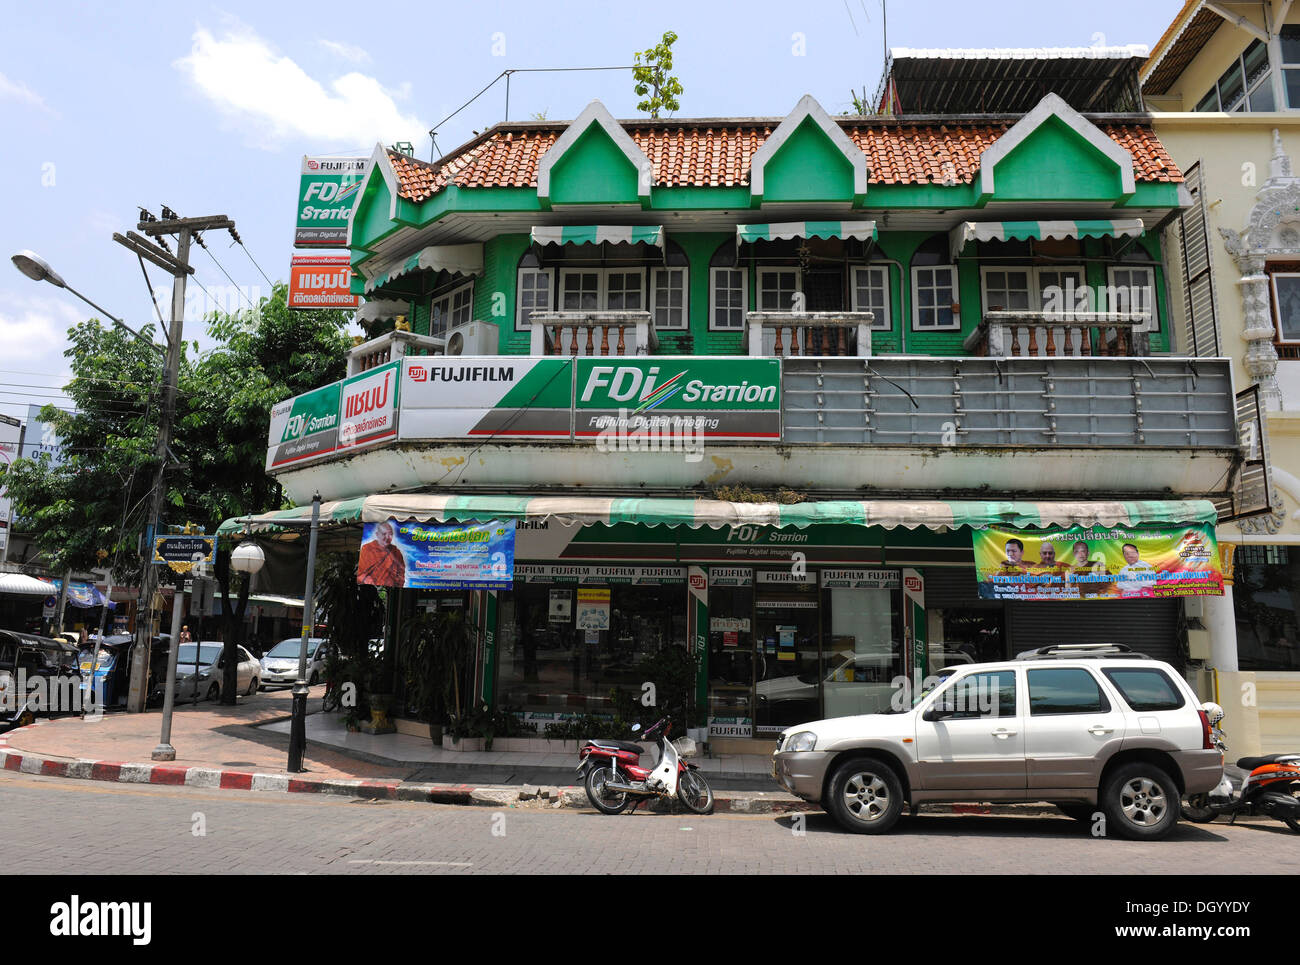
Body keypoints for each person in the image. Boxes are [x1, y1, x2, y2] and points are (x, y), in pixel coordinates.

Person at [358, 520, 407, 586]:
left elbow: (401, 576)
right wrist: (369, 581)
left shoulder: (396, 552)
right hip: (371, 587)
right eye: (384, 534)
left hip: (390, 589)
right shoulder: (367, 549)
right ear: (377, 534)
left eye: (390, 534)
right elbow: (361, 574)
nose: (387, 537)